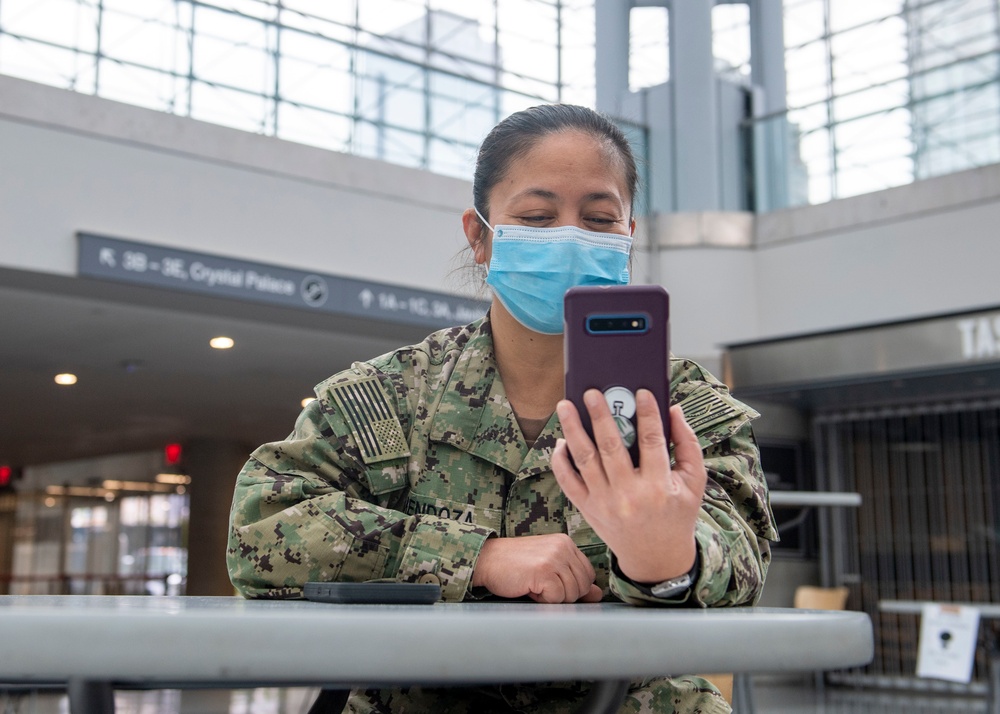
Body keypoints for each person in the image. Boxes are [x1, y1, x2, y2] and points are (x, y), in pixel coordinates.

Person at [227, 103, 777, 714]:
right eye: (537, 217)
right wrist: (476, 558)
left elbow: (745, 564)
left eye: (598, 219)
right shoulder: (388, 399)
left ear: (628, 238)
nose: (569, 237)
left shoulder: (683, 411)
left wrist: (667, 560)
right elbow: (260, 532)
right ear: (480, 235)